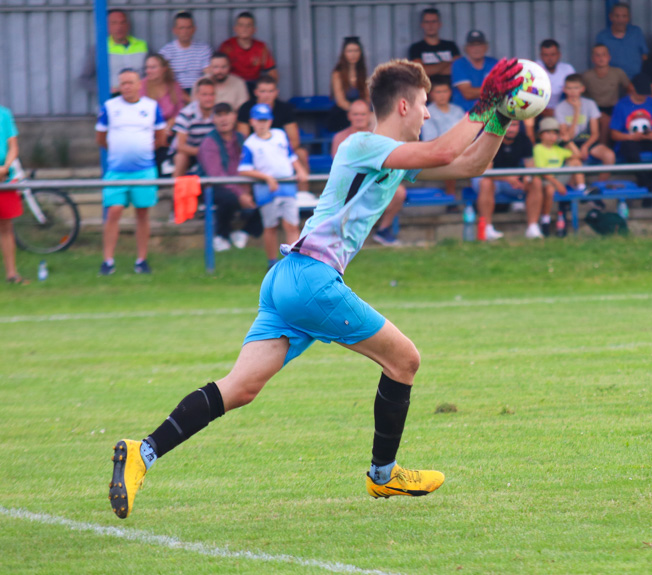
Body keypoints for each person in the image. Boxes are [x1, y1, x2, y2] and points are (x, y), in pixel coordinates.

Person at [107, 58, 525, 519]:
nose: (428, 115)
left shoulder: (395, 159)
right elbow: (445, 153)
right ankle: (383, 476)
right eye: (425, 105)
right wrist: (484, 103)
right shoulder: (362, 144)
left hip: (287, 279)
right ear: (404, 105)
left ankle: (141, 452)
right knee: (405, 360)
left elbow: (469, 166)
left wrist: (501, 118)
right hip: (311, 281)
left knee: (240, 388)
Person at [95, 69, 167, 276]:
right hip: (116, 171)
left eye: (130, 82)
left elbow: (161, 137)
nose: (126, 86)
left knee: (142, 214)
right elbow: (100, 138)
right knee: (114, 212)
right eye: (122, 83)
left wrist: (142, 151)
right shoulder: (109, 107)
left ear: (139, 85)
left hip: (144, 171)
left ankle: (141, 260)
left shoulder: (151, 107)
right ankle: (108, 260)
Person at [239, 104, 309, 269]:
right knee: (270, 226)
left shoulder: (280, 135)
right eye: (258, 120)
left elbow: (290, 155)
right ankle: (272, 262)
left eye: (265, 120)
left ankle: (295, 260)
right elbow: (244, 169)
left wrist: (300, 170)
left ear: (270, 121)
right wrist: (266, 177)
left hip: (287, 185)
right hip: (266, 190)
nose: (262, 124)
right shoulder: (250, 144)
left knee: (291, 224)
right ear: (252, 122)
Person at [332, 100, 407, 246]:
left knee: (399, 192)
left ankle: (383, 231)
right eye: (355, 114)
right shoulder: (340, 137)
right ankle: (346, 235)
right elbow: (338, 165)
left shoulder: (380, 135)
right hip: (349, 183)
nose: (359, 117)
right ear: (349, 116)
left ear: (370, 115)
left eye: (363, 114)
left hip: (375, 180)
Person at [197, 103, 260, 252]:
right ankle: (221, 235)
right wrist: (241, 194)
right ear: (213, 119)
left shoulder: (242, 139)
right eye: (219, 115)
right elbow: (217, 176)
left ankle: (245, 231)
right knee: (228, 198)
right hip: (213, 185)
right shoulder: (209, 142)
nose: (223, 119)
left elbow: (251, 165)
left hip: (242, 184)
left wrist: (247, 191)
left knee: (268, 195)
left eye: (227, 114)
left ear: (234, 116)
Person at [610, 73, 652, 201]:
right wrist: (631, 137)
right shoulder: (622, 105)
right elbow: (614, 134)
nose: (643, 96)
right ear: (632, 88)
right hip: (629, 140)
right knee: (630, 152)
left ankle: (648, 179)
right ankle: (646, 184)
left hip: (650, 140)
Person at [472, 120, 540, 240]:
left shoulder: (524, 139)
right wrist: (507, 178)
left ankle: (532, 228)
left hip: (512, 180)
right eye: (508, 125)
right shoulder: (490, 139)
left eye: (514, 125)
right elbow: (485, 172)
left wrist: (526, 178)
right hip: (488, 178)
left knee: (536, 182)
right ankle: (487, 229)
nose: (511, 129)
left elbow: (531, 168)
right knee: (486, 183)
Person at [554, 74, 615, 188]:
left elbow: (595, 133)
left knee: (609, 155)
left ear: (582, 89)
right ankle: (574, 189)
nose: (573, 91)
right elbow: (567, 136)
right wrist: (576, 111)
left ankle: (598, 187)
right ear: (564, 89)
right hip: (568, 143)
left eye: (576, 88)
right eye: (569, 88)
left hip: (586, 139)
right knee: (575, 158)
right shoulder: (560, 107)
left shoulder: (590, 104)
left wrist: (586, 146)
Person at [238, 75, 307, 171]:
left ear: (276, 93)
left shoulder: (285, 108)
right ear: (256, 92)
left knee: (301, 153)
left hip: (280, 148)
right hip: (255, 149)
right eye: (263, 91)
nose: (267, 95)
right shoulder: (246, 108)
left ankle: (304, 185)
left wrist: (276, 152)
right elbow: (242, 138)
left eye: (271, 91)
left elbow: (294, 140)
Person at [79, 9, 149, 97]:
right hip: (112, 100)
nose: (119, 27)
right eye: (114, 23)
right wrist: (105, 90)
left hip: (140, 99)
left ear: (128, 25)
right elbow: (85, 79)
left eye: (122, 22)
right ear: (107, 26)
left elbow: (153, 73)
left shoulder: (143, 46)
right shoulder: (100, 48)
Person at [533, 117, 580, 236]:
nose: (551, 136)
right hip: (546, 179)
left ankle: (581, 188)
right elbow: (542, 171)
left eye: (554, 133)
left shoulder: (558, 149)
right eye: (548, 133)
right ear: (541, 135)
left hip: (558, 179)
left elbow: (578, 155)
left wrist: (568, 141)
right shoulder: (538, 148)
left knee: (575, 163)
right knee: (549, 189)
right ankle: (545, 220)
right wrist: (558, 184)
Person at [581, 44, 630, 146]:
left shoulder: (618, 72)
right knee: (605, 120)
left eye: (603, 55)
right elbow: (581, 96)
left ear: (609, 57)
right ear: (593, 59)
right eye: (597, 55)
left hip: (614, 108)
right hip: (595, 109)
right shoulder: (586, 76)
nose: (601, 58)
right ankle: (603, 148)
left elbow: (630, 90)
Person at [218, 12, 278, 95]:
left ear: (254, 29)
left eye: (248, 26)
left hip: (254, 85)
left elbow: (272, 71)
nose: (244, 29)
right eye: (241, 25)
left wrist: (269, 89)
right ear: (235, 28)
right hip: (232, 85)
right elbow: (219, 69)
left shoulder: (261, 47)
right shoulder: (227, 46)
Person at [169, 77, 216, 177]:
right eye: (205, 94)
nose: (209, 98)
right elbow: (180, 146)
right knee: (181, 157)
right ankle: (175, 190)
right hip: (188, 152)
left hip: (209, 152)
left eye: (211, 94)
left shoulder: (218, 114)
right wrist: (204, 152)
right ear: (197, 95)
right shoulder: (186, 114)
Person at [158, 11, 213, 92]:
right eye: (182, 28)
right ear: (175, 30)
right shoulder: (166, 52)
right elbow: (164, 78)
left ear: (194, 29)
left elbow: (208, 75)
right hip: (174, 92)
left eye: (189, 27)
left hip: (199, 91)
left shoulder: (203, 49)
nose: (185, 31)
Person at [0, 104, 25, 284]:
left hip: (4, 179)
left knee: (6, 228)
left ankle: (11, 274)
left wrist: (5, 168)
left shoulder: (4, 115)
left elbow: (13, 147)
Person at [595, 3, 649, 79]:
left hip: (636, 78)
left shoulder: (636, 32)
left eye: (624, 16)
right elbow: (598, 59)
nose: (620, 20)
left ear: (628, 18)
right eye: (617, 16)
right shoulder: (602, 36)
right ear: (610, 17)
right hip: (612, 80)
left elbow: (644, 56)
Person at [408, 8, 460, 85]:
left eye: (434, 22)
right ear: (422, 25)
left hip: (450, 90)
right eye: (427, 22)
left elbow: (458, 69)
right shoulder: (416, 48)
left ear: (439, 24)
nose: (430, 25)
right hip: (427, 91)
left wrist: (430, 69)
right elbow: (420, 72)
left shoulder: (450, 46)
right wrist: (446, 63)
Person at [328, 37, 370, 132]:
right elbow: (340, 101)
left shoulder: (363, 72)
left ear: (360, 53)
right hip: (343, 113)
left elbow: (367, 97)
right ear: (344, 53)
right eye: (349, 51)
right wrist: (356, 112)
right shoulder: (337, 73)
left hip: (360, 112)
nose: (353, 54)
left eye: (356, 51)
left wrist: (364, 112)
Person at [450, 30, 497, 112]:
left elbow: (502, 91)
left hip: (490, 112)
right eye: (472, 45)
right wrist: (493, 89)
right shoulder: (459, 64)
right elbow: (468, 94)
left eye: (479, 45)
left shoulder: (494, 63)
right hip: (464, 114)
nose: (476, 49)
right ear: (466, 48)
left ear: (486, 47)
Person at [141, 54, 188, 131]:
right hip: (147, 129)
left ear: (164, 69)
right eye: (147, 67)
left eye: (153, 67)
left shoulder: (174, 86)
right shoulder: (141, 86)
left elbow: (180, 111)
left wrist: (172, 121)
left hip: (171, 130)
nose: (148, 71)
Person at [537, 39, 576, 112]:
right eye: (546, 55)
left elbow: (575, 94)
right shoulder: (534, 69)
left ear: (559, 55)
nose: (550, 59)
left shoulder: (567, 69)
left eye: (553, 54)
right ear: (541, 56)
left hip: (565, 110)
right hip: (540, 111)